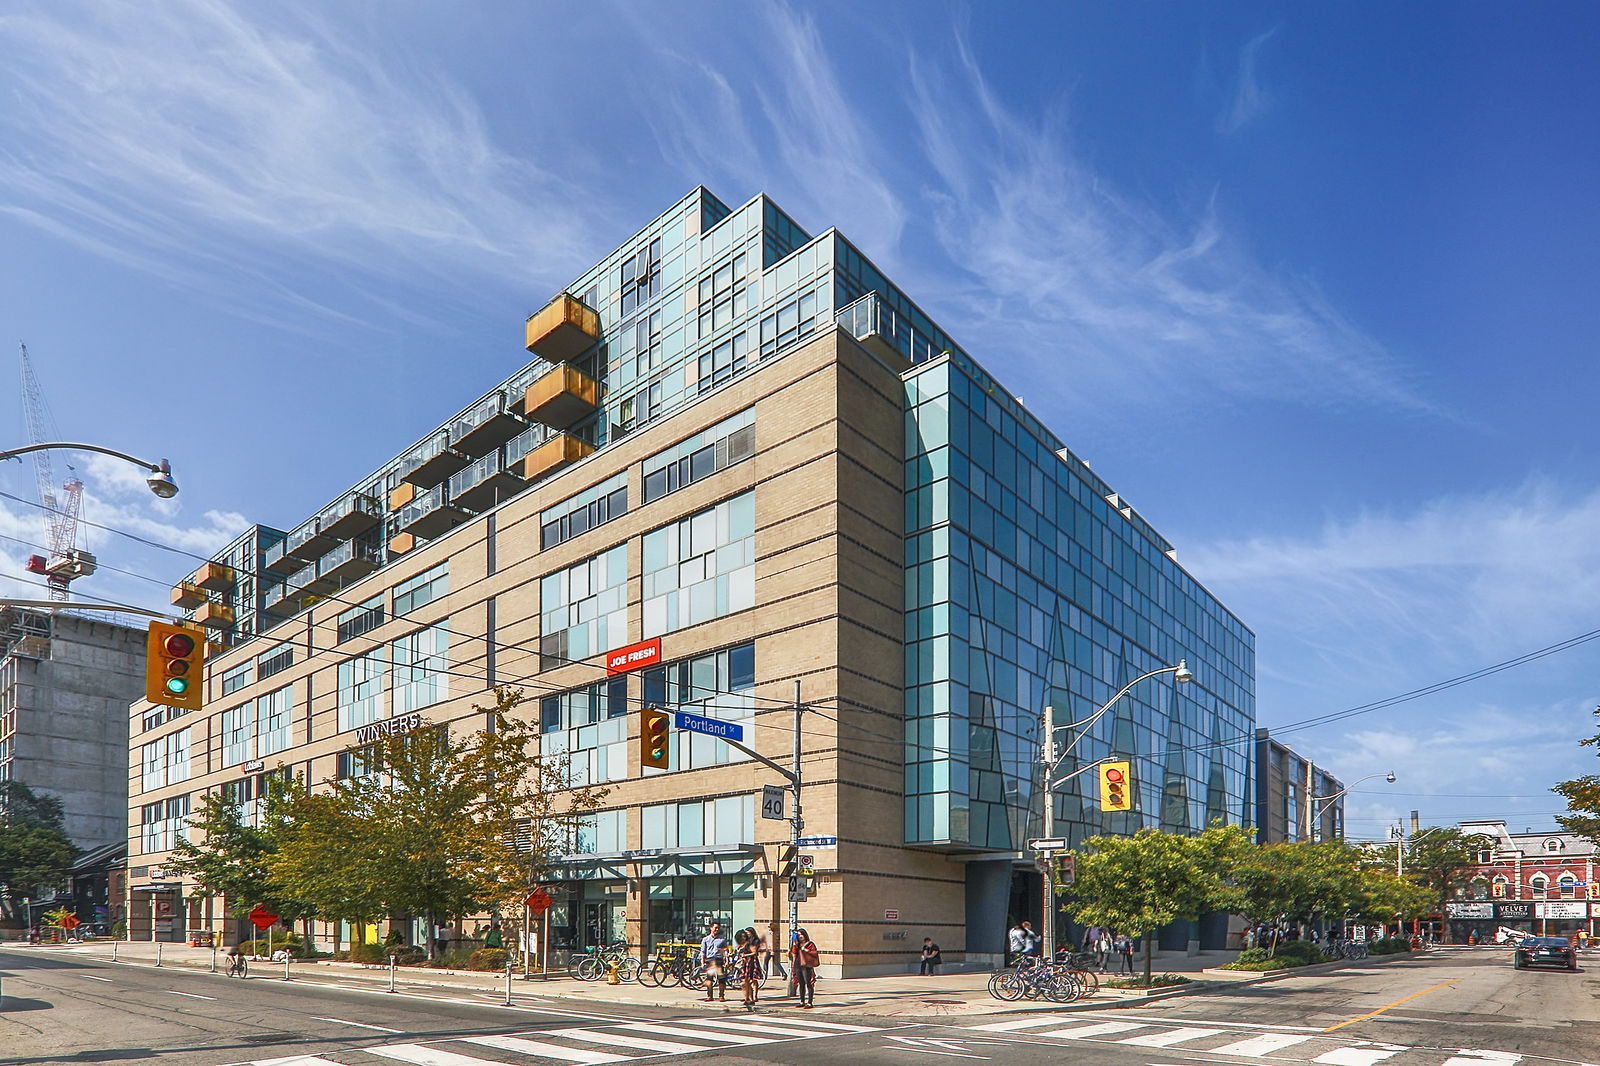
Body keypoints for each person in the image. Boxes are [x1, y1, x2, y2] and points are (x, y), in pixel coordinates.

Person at [699, 920, 729, 1002]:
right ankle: (709, 995)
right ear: (711, 928)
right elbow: (703, 951)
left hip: (718, 960)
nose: (717, 929)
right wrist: (702, 962)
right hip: (710, 960)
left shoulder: (722, 939)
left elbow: (725, 950)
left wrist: (726, 960)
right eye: (715, 928)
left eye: (718, 928)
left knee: (721, 979)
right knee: (709, 979)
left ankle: (721, 995)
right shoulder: (705, 939)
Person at [790, 927, 819, 1008]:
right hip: (798, 965)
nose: (800, 937)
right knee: (801, 984)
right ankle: (802, 1001)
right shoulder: (798, 945)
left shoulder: (810, 944)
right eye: (799, 935)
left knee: (808, 983)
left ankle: (810, 1002)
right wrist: (795, 944)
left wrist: (806, 950)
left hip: (806, 966)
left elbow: (815, 953)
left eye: (801, 935)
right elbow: (794, 952)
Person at [736, 927, 764, 1008]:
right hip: (745, 962)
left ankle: (752, 997)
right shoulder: (745, 942)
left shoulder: (754, 941)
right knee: (745, 981)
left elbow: (754, 953)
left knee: (752, 980)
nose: (746, 934)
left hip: (751, 962)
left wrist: (745, 955)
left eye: (748, 933)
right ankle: (747, 998)